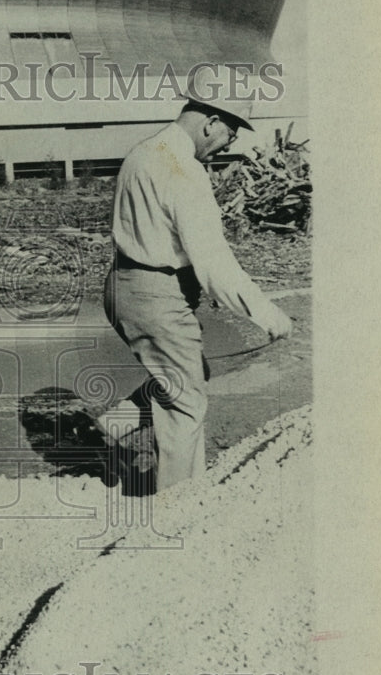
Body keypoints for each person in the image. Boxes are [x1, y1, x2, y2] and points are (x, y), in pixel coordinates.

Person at [97, 64, 293, 492]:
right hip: (157, 295)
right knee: (186, 403)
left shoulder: (143, 151)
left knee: (183, 374)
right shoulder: (186, 172)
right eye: (231, 134)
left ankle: (112, 427)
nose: (229, 144)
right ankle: (178, 506)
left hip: (122, 285)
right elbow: (214, 264)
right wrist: (269, 315)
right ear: (211, 123)